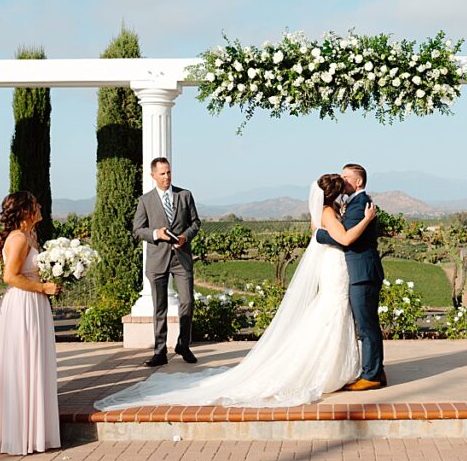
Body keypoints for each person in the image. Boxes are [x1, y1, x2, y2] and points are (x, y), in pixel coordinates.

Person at [94, 175, 374, 410]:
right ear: (335, 194)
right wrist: (367, 219)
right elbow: (346, 238)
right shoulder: (328, 212)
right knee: (330, 313)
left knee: (329, 314)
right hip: (334, 267)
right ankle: (325, 370)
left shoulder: (325, 211)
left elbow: (322, 231)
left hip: (334, 266)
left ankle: (332, 367)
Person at [0, 192, 62, 455]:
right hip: (23, 304)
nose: (40, 207)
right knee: (21, 364)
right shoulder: (17, 238)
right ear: (26, 211)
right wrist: (43, 287)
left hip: (35, 303)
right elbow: (10, 276)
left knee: (35, 362)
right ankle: (18, 433)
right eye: (36, 205)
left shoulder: (31, 237)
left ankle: (35, 431)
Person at [316, 163, 386, 390]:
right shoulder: (352, 204)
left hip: (363, 272)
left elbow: (346, 238)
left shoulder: (360, 206)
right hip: (358, 271)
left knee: (366, 326)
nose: (342, 180)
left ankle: (372, 376)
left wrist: (319, 235)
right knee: (365, 325)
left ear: (358, 182)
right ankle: (376, 370)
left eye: (346, 177)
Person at [133, 157, 202, 367]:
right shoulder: (145, 201)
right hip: (157, 261)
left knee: (187, 301)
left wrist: (185, 237)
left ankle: (183, 344)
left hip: (181, 259)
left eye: (169, 172)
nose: (167, 177)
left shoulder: (185, 195)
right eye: (162, 173)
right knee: (160, 307)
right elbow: (137, 230)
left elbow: (195, 223)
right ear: (153, 175)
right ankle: (160, 351)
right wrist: (156, 233)